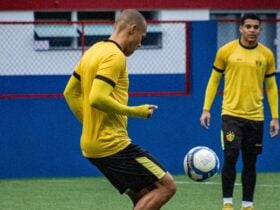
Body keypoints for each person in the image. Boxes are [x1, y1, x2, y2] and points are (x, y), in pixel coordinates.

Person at [63, 9, 176, 210]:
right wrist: (136, 111)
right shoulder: (115, 56)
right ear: (132, 30)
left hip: (91, 146)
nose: (140, 44)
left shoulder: (94, 50)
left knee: (145, 195)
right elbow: (97, 98)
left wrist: (90, 123)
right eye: (141, 37)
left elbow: (69, 93)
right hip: (112, 145)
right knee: (166, 186)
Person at [200, 13, 279, 210]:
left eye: (256, 27)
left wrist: (275, 117)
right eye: (248, 26)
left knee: (250, 162)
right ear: (240, 29)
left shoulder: (267, 55)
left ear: (260, 30)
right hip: (231, 116)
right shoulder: (225, 52)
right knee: (231, 154)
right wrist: (206, 109)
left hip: (256, 118)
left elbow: (271, 86)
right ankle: (227, 203)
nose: (252, 30)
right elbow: (214, 80)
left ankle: (247, 205)